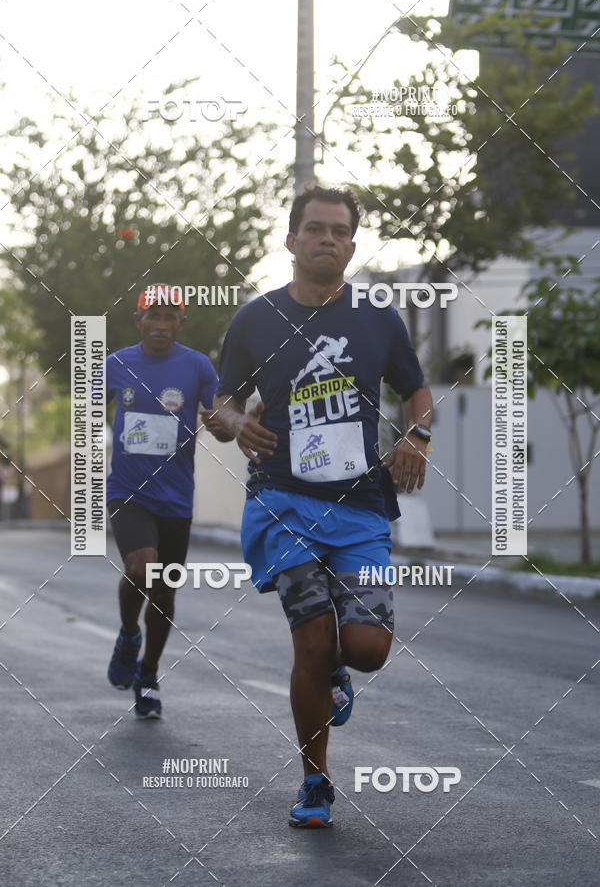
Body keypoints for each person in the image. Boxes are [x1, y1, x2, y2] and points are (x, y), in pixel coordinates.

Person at [203, 186, 433, 826]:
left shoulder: (378, 319)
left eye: (339, 231)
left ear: (352, 246)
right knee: (311, 641)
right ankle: (315, 782)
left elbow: (417, 392)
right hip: (282, 503)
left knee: (366, 647)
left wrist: (418, 435)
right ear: (291, 240)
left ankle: (340, 668)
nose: (327, 238)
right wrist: (233, 423)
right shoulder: (255, 319)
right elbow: (221, 404)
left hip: (360, 507)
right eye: (315, 229)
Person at [106, 285, 231, 719]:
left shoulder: (196, 366)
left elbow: (223, 420)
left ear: (181, 322)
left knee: (163, 592)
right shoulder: (115, 365)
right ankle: (127, 635)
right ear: (138, 321)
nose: (160, 325)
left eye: (169, 317)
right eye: (152, 317)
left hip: (176, 497)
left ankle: (149, 673)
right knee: (141, 567)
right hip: (128, 492)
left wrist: (224, 426)